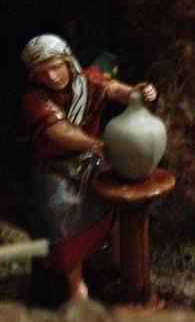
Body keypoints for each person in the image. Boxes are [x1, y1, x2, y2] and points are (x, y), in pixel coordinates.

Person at [21, 34, 157, 301]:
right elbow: (59, 131)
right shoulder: (34, 99)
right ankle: (77, 287)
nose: (53, 76)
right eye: (43, 71)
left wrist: (137, 94)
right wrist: (95, 144)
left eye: (56, 66)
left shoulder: (85, 82)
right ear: (34, 76)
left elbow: (111, 89)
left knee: (115, 197)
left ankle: (111, 264)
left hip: (92, 161)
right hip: (56, 169)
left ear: (67, 62)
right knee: (60, 214)